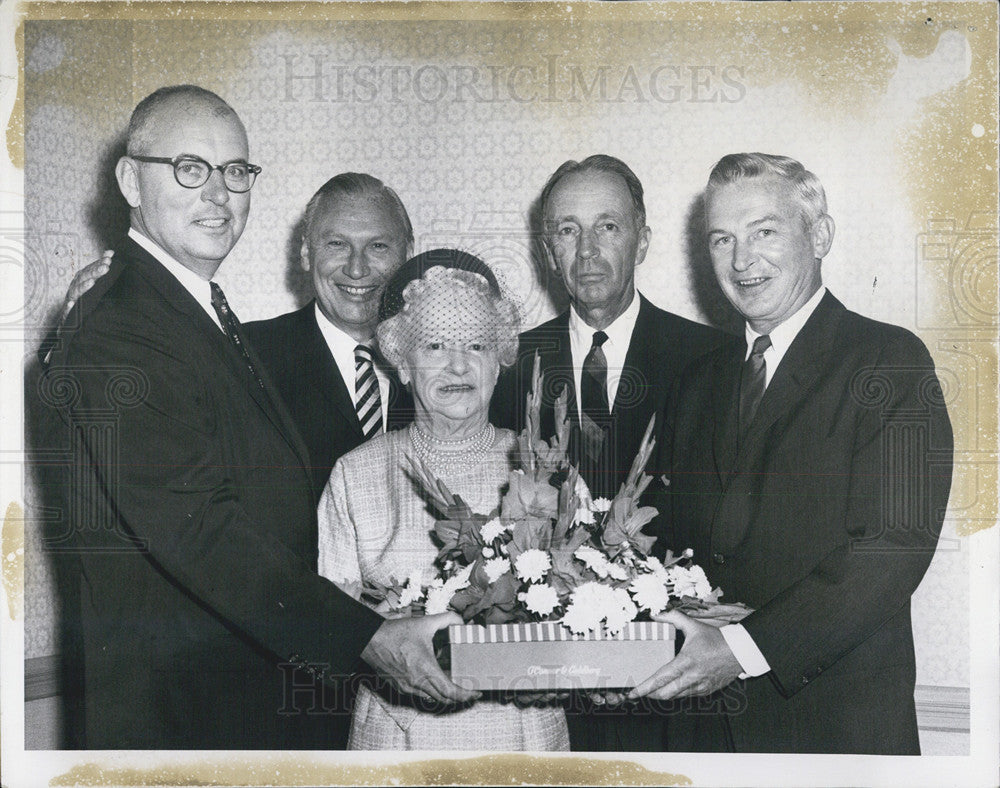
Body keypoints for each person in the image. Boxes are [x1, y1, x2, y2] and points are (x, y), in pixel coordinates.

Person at [39, 85, 475, 749]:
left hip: (239, 700)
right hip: (185, 717)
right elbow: (202, 532)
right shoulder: (123, 324)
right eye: (190, 168)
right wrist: (369, 637)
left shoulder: (192, 311)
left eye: (235, 172)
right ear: (130, 180)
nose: (218, 194)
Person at [631, 153, 954, 754]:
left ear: (821, 234)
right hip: (702, 728)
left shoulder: (889, 361)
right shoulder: (696, 383)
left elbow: (894, 543)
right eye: (721, 239)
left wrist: (742, 650)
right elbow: (663, 540)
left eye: (765, 232)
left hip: (832, 730)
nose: (741, 259)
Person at [491, 154, 724, 751]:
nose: (587, 251)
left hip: (676, 694)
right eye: (567, 230)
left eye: (608, 227)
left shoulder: (713, 360)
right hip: (544, 697)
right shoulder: (507, 366)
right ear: (548, 251)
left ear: (642, 240)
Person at [318, 251, 570, 750]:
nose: (458, 365)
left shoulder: (544, 464)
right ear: (403, 362)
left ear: (499, 359)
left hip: (524, 734)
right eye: (434, 345)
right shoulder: (355, 472)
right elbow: (331, 628)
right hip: (397, 736)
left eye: (477, 344)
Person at [243, 173, 415, 497]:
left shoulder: (442, 363)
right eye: (337, 244)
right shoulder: (249, 357)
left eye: (378, 246)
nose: (356, 269)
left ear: (408, 253)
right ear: (307, 252)